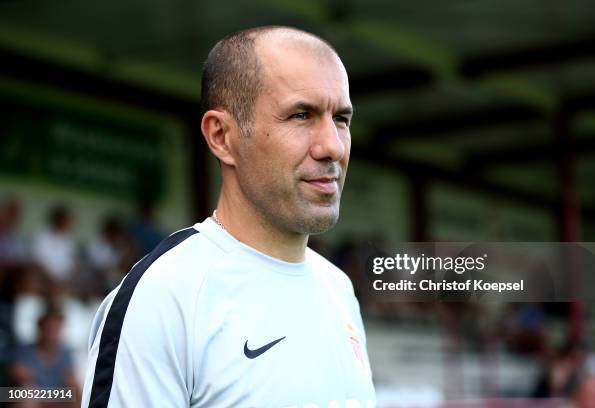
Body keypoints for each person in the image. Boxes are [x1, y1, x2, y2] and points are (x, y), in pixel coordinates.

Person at [81, 26, 376, 407]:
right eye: (301, 115)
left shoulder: (339, 289)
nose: (332, 147)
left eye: (341, 118)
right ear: (221, 136)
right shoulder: (164, 298)